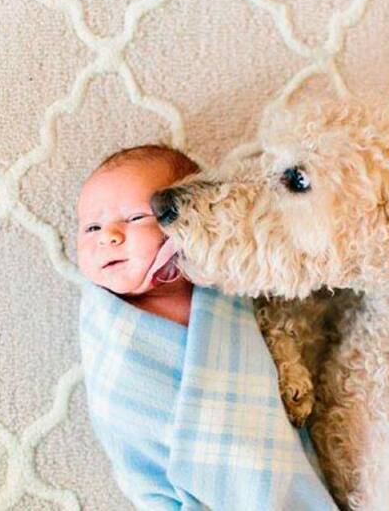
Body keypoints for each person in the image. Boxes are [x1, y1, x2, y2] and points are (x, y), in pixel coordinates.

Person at [75, 144, 336, 510]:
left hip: (259, 457)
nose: (109, 236)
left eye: (135, 218)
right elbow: (127, 429)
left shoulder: (224, 289)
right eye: (92, 227)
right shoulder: (108, 326)